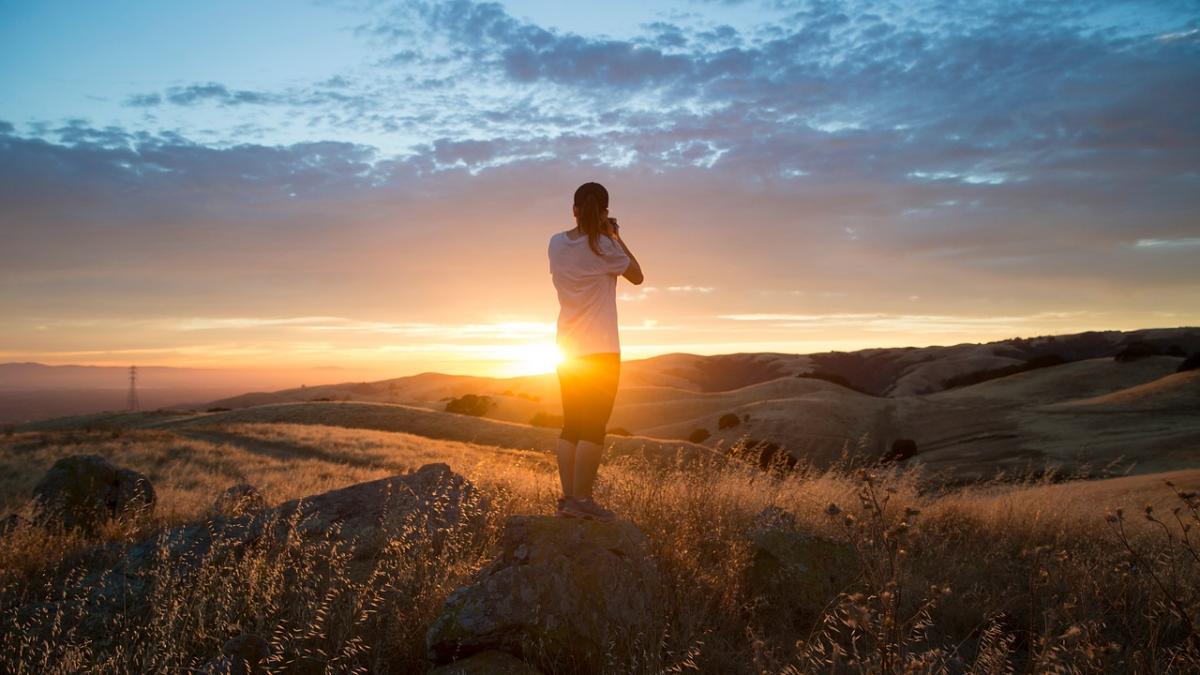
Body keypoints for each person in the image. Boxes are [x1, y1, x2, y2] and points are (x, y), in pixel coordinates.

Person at [547, 181, 644, 521]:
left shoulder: (556, 244)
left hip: (567, 349)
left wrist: (601, 231)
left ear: (574, 208)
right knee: (594, 425)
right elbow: (637, 275)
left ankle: (569, 499)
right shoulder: (606, 246)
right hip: (601, 349)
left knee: (571, 423)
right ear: (604, 212)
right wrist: (614, 234)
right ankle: (583, 500)